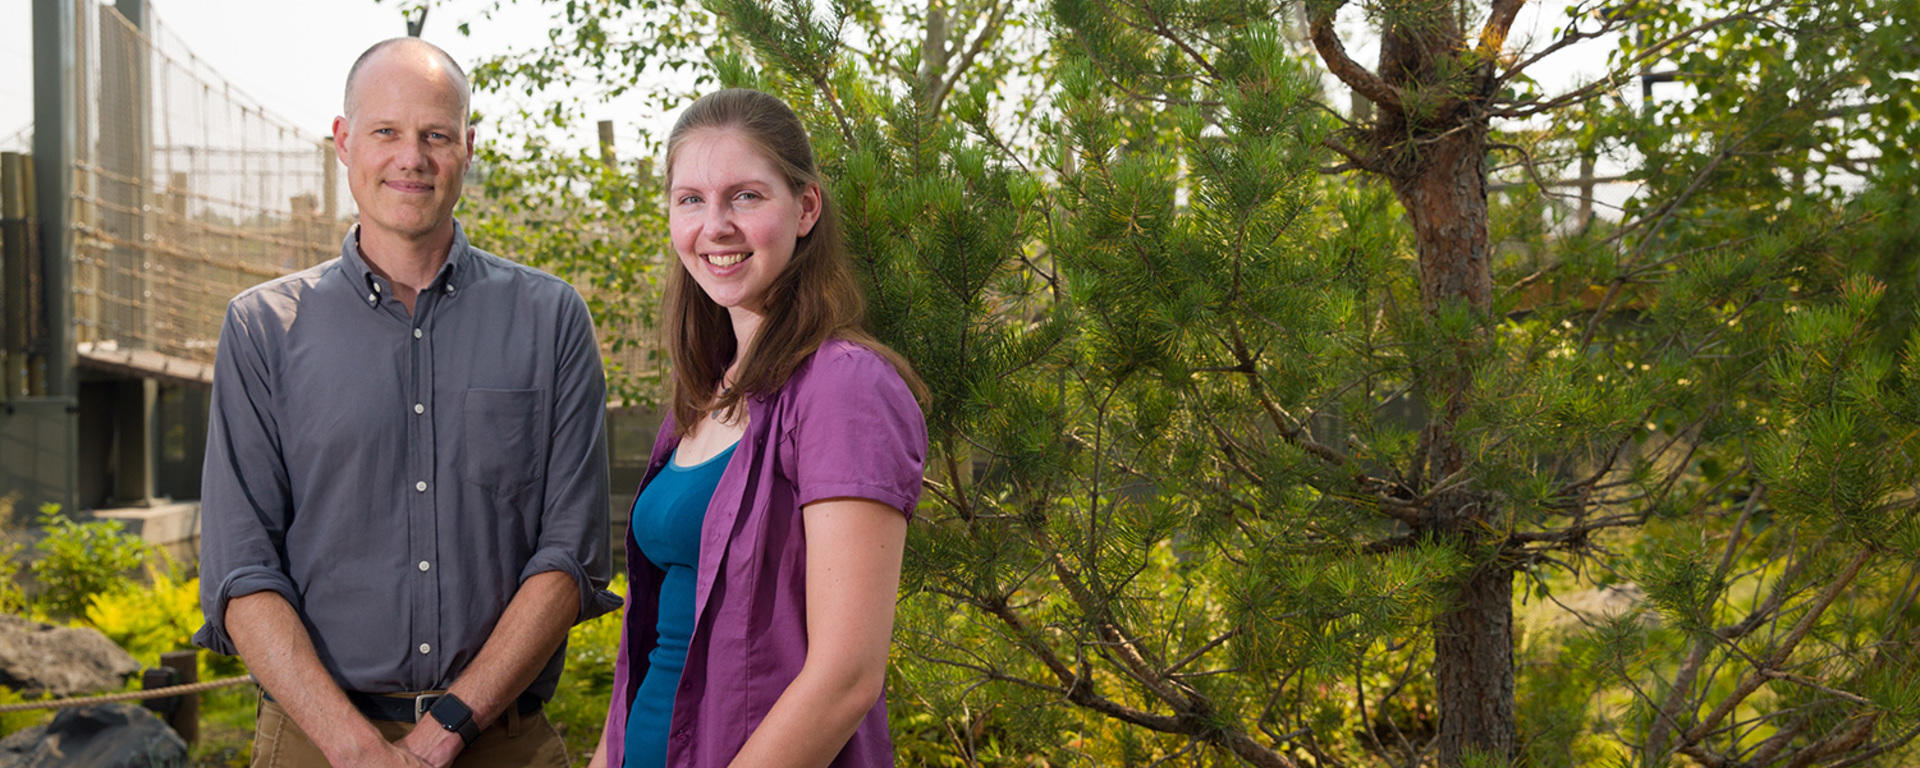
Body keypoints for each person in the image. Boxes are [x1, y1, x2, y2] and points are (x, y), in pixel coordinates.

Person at [194, 37, 621, 768]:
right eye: (386, 131)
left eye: (436, 136)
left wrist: (443, 729)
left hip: (502, 742)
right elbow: (242, 571)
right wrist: (356, 747)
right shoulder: (262, 330)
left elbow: (571, 557)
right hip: (314, 743)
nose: (411, 158)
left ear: (468, 148)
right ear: (344, 141)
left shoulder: (551, 320)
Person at [590, 88, 929, 768]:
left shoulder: (844, 388)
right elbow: (652, 645)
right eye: (691, 199)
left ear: (806, 209)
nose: (715, 226)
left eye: (745, 196)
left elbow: (845, 679)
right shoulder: (703, 395)